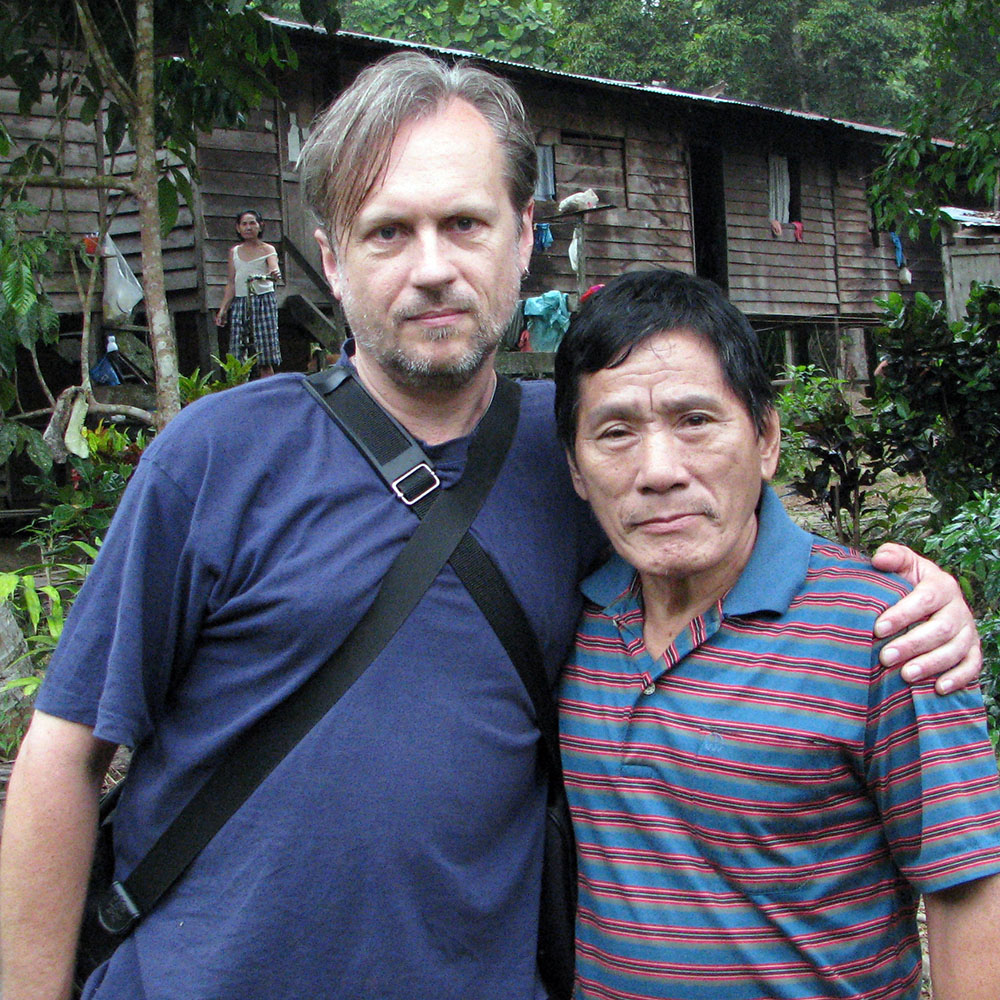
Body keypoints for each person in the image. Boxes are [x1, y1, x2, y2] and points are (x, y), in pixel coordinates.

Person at [0, 53, 981, 1000]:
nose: (432, 268)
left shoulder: (583, 469)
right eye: (389, 233)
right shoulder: (218, 457)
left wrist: (916, 604)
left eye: (464, 224)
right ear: (334, 262)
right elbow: (64, 752)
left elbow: (719, 534)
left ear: (520, 238)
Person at [553, 268, 1000, 1000]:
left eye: (695, 421)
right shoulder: (573, 621)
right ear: (575, 468)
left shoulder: (891, 633)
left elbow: (969, 891)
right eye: (615, 433)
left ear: (765, 438)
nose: (658, 471)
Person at [214, 209, 283, 377]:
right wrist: (223, 309)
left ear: (260, 226)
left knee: (264, 354)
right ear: (238, 228)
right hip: (241, 302)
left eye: (252, 223)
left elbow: (274, 267)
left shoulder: (268, 249)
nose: (248, 227)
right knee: (237, 351)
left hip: (263, 301)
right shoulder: (234, 252)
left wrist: (274, 273)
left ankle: (269, 390)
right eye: (244, 224)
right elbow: (231, 282)